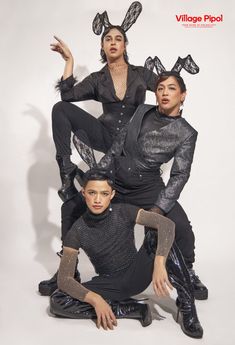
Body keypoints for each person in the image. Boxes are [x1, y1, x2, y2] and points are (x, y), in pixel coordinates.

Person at [63, 55, 208, 301]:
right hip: (117, 179)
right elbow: (117, 145)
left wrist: (159, 208)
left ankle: (189, 271)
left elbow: (180, 174)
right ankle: (68, 269)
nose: (164, 92)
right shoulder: (142, 112)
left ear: (182, 95)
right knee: (70, 207)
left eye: (171, 88)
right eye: (160, 88)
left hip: (147, 185)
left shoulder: (186, 133)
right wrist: (100, 175)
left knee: (182, 226)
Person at [38, 2, 158, 295]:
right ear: (102, 46)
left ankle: (186, 271)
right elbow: (67, 95)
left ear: (125, 44)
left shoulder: (142, 73)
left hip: (131, 145)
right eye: (107, 39)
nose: (113, 42)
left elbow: (168, 88)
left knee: (168, 210)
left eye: (118, 38)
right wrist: (68, 60)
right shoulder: (98, 78)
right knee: (60, 108)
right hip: (104, 136)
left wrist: (168, 118)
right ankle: (66, 171)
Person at [50, 170, 203, 338]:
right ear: (83, 193)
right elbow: (64, 279)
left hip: (136, 273)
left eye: (104, 193)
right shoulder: (76, 231)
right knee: (58, 300)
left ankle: (187, 306)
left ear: (112, 194)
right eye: (92, 193)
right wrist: (95, 299)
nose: (97, 199)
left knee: (155, 234)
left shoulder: (123, 211)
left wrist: (159, 263)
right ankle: (130, 308)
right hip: (110, 283)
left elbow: (166, 224)